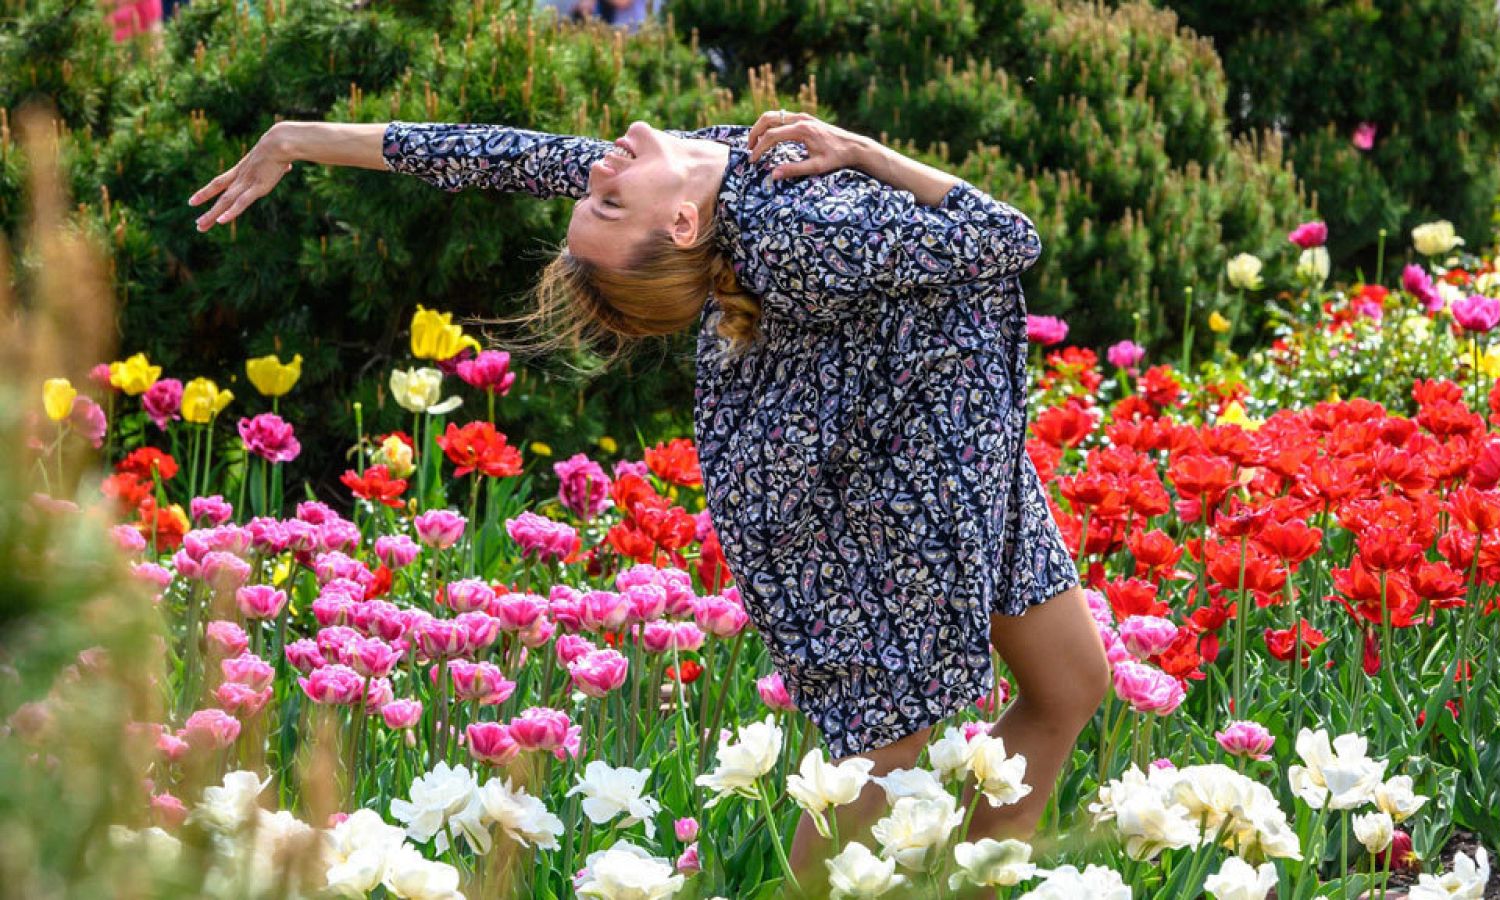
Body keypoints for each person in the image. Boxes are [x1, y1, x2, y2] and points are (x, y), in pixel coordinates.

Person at [187, 111, 1110, 890]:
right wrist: (863, 149)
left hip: (945, 440)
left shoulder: (706, 169)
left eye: (595, 198)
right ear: (677, 223)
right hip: (863, 485)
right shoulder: (795, 234)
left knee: (1068, 686)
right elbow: (1008, 238)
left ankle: (982, 881)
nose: (597, 174)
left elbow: (501, 155)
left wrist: (300, 139)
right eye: (606, 201)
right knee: (885, 741)